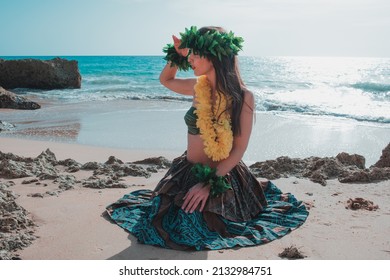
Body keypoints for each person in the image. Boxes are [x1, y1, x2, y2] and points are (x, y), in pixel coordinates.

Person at [106, 26, 308, 250]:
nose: (190, 58)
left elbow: (239, 150)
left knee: (194, 225)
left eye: (194, 53)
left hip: (222, 174)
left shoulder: (243, 97)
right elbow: (166, 79)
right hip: (186, 171)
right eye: (189, 53)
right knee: (162, 217)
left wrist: (208, 185)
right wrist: (178, 54)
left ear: (214, 55)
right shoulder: (196, 87)